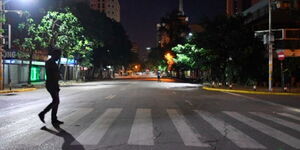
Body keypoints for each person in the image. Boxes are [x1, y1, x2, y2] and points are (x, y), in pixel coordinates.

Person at [38, 49, 64, 125]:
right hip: (51, 84)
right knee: (56, 101)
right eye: (58, 56)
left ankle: (54, 119)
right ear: (54, 55)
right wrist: (57, 76)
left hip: (54, 84)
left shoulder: (53, 63)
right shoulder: (50, 62)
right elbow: (51, 74)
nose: (59, 58)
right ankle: (42, 113)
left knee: (56, 101)